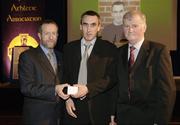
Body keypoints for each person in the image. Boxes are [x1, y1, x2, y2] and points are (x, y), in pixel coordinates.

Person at [114, 10, 176, 125]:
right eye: (126, 26)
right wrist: (113, 117)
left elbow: (167, 91)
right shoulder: (118, 53)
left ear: (144, 27)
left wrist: (160, 121)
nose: (130, 30)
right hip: (122, 119)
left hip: (149, 119)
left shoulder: (158, 51)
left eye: (134, 26)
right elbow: (115, 88)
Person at [62, 10, 117, 125]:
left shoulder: (109, 49)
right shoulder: (68, 48)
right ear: (80, 26)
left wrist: (87, 88)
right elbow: (64, 76)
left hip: (99, 109)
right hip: (73, 107)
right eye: (85, 24)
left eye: (93, 25)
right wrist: (67, 99)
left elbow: (111, 79)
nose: (89, 29)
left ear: (99, 27)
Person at [18, 19, 69, 125]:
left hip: (59, 117)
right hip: (38, 118)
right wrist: (54, 89)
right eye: (47, 33)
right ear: (39, 35)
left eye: (54, 33)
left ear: (57, 35)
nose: (51, 37)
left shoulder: (61, 56)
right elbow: (27, 88)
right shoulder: (28, 56)